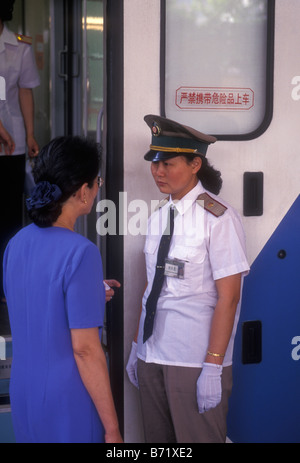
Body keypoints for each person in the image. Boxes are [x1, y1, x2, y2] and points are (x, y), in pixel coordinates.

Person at [126, 114, 250, 443]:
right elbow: (151, 289)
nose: (158, 172)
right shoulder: (158, 217)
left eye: (168, 163)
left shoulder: (218, 219)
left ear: (195, 164)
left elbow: (230, 297)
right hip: (152, 355)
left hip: (192, 360)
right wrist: (138, 346)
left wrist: (213, 365)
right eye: (155, 163)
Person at [3, 136, 122, 443]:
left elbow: (37, 299)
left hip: (25, 389)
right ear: (84, 191)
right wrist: (113, 428)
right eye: (97, 181)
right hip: (68, 396)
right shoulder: (81, 252)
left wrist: (89, 294)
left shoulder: (16, 244)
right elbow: (85, 350)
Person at [0, 0, 40, 302]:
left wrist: (29, 133)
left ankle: (6, 286)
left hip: (10, 147)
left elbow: (24, 91)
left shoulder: (19, 48)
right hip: (5, 136)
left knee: (9, 218)